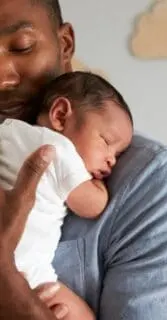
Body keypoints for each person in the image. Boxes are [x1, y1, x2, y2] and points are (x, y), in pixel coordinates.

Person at [0, 0, 167, 319]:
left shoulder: (152, 182)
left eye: (22, 46)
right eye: (107, 144)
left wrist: (13, 296)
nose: (2, 78)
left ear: (65, 45)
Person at [0, 71, 133, 319]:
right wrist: (97, 184)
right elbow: (92, 205)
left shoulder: (9, 131)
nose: (111, 160)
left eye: (117, 153)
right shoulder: (59, 150)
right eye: (106, 141)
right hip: (30, 274)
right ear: (60, 115)